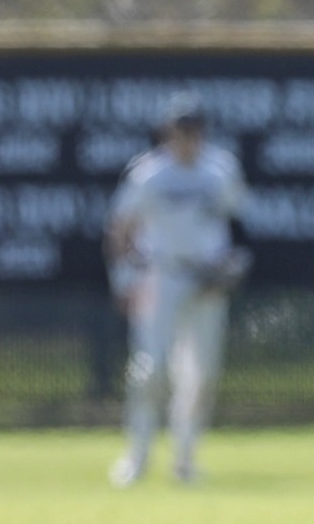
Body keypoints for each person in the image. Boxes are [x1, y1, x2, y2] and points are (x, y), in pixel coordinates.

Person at [106, 93, 250, 487]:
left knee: (200, 375)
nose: (188, 137)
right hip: (163, 276)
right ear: (168, 132)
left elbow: (236, 221)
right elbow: (122, 227)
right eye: (181, 129)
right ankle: (136, 456)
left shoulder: (219, 169)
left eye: (194, 129)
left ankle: (184, 459)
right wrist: (123, 278)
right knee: (150, 370)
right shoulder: (150, 173)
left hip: (206, 280)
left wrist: (228, 265)